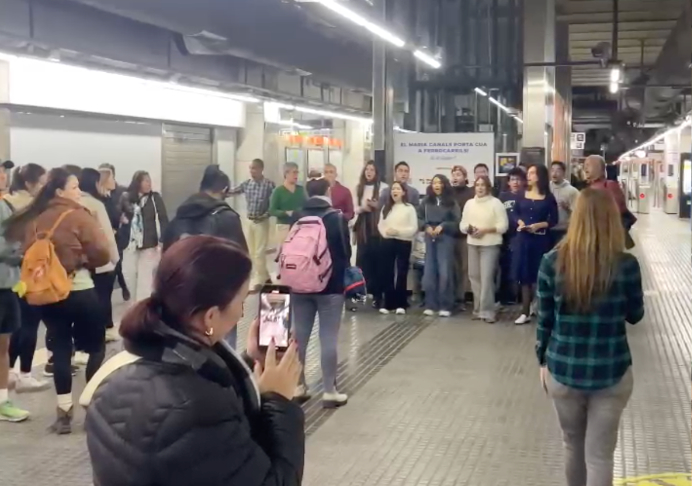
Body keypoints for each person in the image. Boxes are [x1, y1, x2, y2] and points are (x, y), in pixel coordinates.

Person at [83, 236, 305, 486]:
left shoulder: (125, 369)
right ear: (210, 317)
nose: (243, 312)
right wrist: (279, 402)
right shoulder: (198, 411)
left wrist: (250, 361)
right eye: (241, 302)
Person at [537, 188, 644, 486]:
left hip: (563, 370)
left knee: (572, 446)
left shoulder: (551, 262)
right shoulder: (626, 265)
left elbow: (544, 321)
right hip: (612, 371)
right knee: (600, 456)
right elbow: (635, 314)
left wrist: (542, 362)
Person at [4, 168, 110, 433]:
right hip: (81, 289)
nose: (78, 192)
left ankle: (63, 413)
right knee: (96, 347)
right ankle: (91, 407)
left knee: (60, 348)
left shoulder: (36, 218)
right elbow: (103, 253)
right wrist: (84, 261)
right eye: (74, 187)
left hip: (50, 293)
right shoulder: (78, 216)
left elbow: (26, 251)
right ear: (61, 191)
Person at [292, 177, 351, 407]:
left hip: (299, 285)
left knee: (299, 336)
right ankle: (329, 390)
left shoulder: (297, 216)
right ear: (328, 191)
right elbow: (345, 251)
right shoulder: (336, 217)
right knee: (328, 337)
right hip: (331, 286)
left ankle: (297, 385)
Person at [6, 164, 51, 392]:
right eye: (42, 182)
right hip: (26, 273)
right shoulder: (27, 207)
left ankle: (12, 372)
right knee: (29, 323)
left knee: (16, 326)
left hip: (14, 277)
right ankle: (24, 373)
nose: (44, 187)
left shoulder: (10, 201)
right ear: (29, 183)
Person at [0, 160, 32, 422]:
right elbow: (5, 246)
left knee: (4, 346)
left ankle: (2, 401)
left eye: (4, 171)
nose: (3, 176)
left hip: (7, 285)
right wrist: (24, 250)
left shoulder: (5, 204)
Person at [162, 165, 247, 253]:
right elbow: (243, 261)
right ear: (224, 190)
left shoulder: (177, 219)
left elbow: (165, 260)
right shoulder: (228, 219)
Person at [513, 164, 558, 325]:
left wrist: (539, 225)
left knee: (539, 275)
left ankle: (540, 308)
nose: (529, 175)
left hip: (540, 239)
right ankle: (525, 310)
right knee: (524, 275)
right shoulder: (521, 194)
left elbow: (554, 219)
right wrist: (520, 222)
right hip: (523, 238)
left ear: (540, 176)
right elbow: (515, 212)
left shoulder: (548, 197)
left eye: (532, 173)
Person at [79, 169, 121, 344]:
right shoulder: (95, 204)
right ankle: (98, 336)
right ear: (96, 183)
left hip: (80, 262)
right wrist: (114, 258)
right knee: (102, 298)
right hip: (100, 260)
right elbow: (107, 237)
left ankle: (82, 340)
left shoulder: (71, 203)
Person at [459, 176, 508, 323]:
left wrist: (486, 230)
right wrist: (468, 229)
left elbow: (503, 226)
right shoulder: (469, 204)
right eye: (477, 185)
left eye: (483, 185)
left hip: (490, 245)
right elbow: (462, 224)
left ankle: (488, 311)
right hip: (472, 243)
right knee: (474, 276)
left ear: (488, 187)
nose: (480, 188)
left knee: (487, 278)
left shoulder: (496, 203)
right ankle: (478, 309)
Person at [120, 170, 168, 303]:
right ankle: (133, 306)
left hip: (149, 244)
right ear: (138, 182)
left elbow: (163, 219)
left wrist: (162, 240)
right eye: (145, 180)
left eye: (149, 180)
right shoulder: (127, 198)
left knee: (145, 281)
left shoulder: (155, 198)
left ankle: (141, 311)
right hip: (130, 244)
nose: (149, 183)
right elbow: (118, 216)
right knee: (129, 277)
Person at [228, 158, 275, 290]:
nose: (251, 171)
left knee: (259, 252)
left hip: (262, 222)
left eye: (254, 168)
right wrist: (221, 192)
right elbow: (234, 191)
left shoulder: (269, 185)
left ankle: (259, 280)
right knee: (252, 251)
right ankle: (265, 276)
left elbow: (273, 204)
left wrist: (265, 215)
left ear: (261, 169)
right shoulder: (247, 184)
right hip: (250, 221)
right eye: (250, 168)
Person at [418, 174, 460, 317]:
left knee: (445, 271)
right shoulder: (425, 201)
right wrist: (425, 226)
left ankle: (446, 305)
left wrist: (443, 226)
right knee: (430, 270)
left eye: (439, 183)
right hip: (430, 237)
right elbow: (418, 217)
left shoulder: (451, 202)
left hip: (446, 237)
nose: (436, 185)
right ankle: (431, 304)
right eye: (434, 182)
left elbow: (457, 222)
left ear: (444, 185)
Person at [377, 181, 418, 315]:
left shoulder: (409, 208)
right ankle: (388, 302)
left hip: (403, 242)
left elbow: (413, 228)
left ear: (403, 192)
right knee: (386, 271)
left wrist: (398, 232)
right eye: (393, 189)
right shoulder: (386, 208)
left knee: (401, 272)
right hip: (387, 241)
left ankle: (401, 303)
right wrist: (385, 233)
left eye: (398, 189)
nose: (395, 191)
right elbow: (380, 225)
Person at [353, 161, 388, 308]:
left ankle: (377, 294)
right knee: (362, 259)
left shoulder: (384, 187)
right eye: (367, 169)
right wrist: (363, 208)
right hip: (363, 226)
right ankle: (360, 292)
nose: (369, 172)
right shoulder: (358, 188)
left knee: (377, 260)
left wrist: (376, 206)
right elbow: (355, 207)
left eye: (372, 169)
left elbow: (386, 206)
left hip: (377, 225)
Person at [584, 155, 635, 249]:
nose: (585, 168)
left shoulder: (610, 186)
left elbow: (617, 210)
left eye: (589, 165)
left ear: (598, 167)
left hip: (606, 235)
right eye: (585, 165)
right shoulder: (590, 186)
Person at [98, 163, 130, 302]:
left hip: (119, 235)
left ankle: (124, 288)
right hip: (107, 236)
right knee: (115, 266)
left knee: (117, 264)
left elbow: (128, 209)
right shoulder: (99, 198)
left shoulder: (122, 192)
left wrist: (124, 217)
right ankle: (124, 287)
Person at [498, 167, 526, 305]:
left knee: (519, 266)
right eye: (513, 179)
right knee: (504, 266)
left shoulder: (526, 196)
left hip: (520, 235)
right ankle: (505, 297)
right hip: (504, 236)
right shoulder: (502, 197)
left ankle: (521, 296)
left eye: (518, 179)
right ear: (508, 182)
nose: (515, 182)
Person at [450, 165, 474, 309]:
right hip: (450, 235)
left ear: (465, 177)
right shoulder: (448, 193)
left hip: (465, 236)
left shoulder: (471, 193)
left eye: (458, 175)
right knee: (452, 267)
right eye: (453, 175)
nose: (455, 177)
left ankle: (462, 297)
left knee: (465, 267)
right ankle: (452, 297)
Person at [269, 162, 305, 251]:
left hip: (299, 226)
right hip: (283, 226)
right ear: (286, 173)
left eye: (297, 172)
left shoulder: (301, 190)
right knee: (283, 252)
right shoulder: (278, 191)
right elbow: (272, 210)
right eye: (294, 172)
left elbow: (306, 205)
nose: (296, 175)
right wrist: (285, 213)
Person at [550, 161, 579, 247]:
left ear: (563, 173)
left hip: (563, 230)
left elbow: (579, 212)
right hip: (547, 230)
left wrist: (567, 208)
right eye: (552, 170)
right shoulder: (546, 188)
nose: (554, 173)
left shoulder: (572, 191)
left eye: (558, 171)